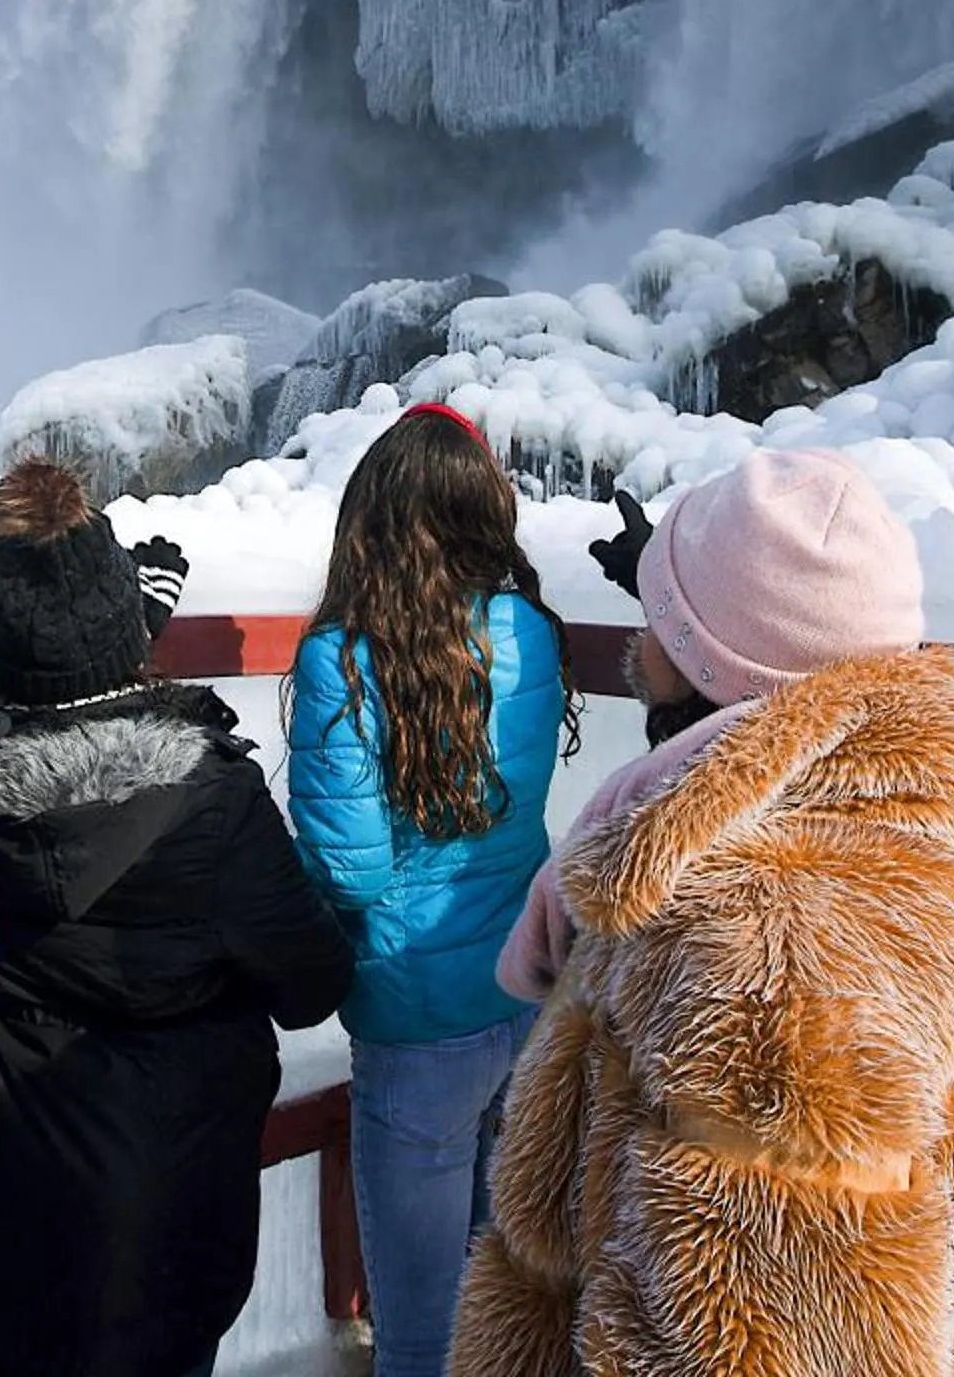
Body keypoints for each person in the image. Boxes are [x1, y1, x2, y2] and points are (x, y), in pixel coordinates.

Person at [456, 448, 954, 1377]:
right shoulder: (855, 843)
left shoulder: (774, 929)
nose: (637, 638)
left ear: (718, 672)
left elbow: (761, 1319)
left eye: (659, 619)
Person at [0, 458, 354, 1377]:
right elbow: (311, 983)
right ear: (119, 636)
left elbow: (42, 729)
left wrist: (127, 645)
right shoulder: (209, 801)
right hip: (170, 1215)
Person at [287, 402, 580, 1377]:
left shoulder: (346, 659)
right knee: (510, 1304)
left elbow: (352, 866)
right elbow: (521, 809)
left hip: (417, 1019)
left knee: (418, 1331)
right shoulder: (530, 632)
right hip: (526, 990)